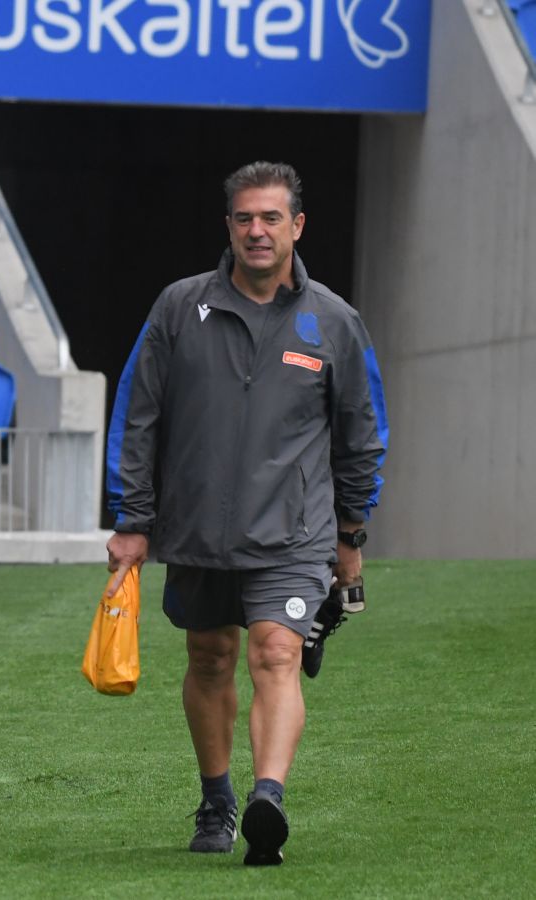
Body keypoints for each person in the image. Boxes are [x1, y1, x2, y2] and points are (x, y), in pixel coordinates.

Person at [105, 161, 388, 865]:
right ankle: (216, 800)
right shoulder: (177, 308)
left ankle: (268, 796)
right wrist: (131, 520)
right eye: (243, 218)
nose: (255, 231)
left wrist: (351, 533)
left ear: (296, 226)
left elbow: (361, 432)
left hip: (291, 534)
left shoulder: (334, 323)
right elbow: (136, 419)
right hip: (193, 527)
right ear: (227, 227)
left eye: (269, 218)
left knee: (274, 652)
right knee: (208, 656)